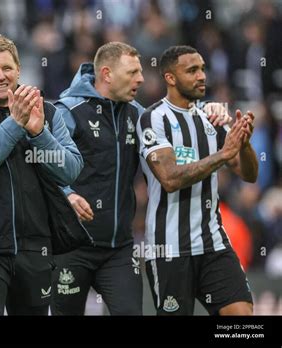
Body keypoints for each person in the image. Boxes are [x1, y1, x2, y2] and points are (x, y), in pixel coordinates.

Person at [50, 42, 232, 315]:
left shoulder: (138, 115)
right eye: (132, 72)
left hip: (119, 249)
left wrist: (208, 110)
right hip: (71, 245)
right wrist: (67, 194)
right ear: (107, 74)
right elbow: (42, 164)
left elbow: (174, 122)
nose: (141, 78)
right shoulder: (68, 111)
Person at [0, 35, 91, 315]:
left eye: (7, 68)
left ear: (19, 69)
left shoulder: (47, 112)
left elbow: (71, 169)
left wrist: (38, 133)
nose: (1, 76)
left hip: (35, 248)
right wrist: (15, 123)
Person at [136, 45, 258, 315]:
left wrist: (245, 145)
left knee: (242, 319)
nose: (202, 76)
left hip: (213, 242)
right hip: (169, 248)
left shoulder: (211, 118)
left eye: (202, 69)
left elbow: (249, 175)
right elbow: (169, 178)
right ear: (170, 78)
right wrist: (224, 154)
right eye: (191, 70)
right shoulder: (153, 119)